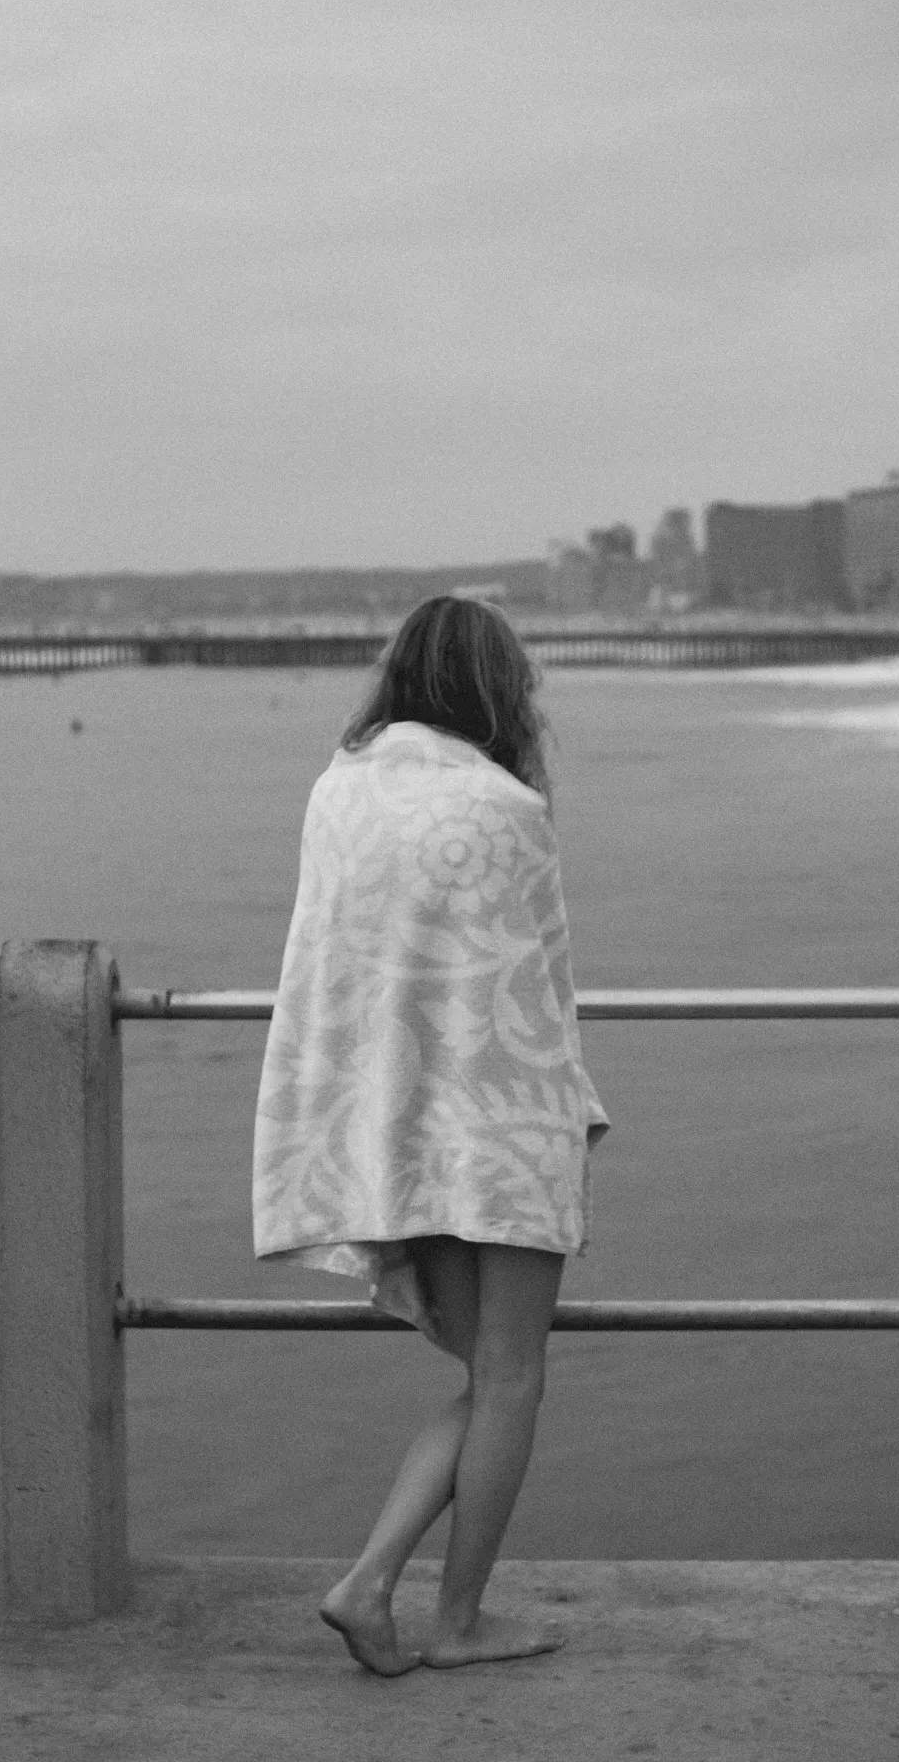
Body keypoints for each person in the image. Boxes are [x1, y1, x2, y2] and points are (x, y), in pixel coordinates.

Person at [252, 595, 609, 1673]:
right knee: (513, 1377)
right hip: (499, 1127)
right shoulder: (504, 809)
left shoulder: (339, 791)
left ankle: (369, 1583)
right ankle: (455, 1619)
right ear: (499, 691)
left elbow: (339, 962)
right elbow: (535, 990)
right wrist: (574, 1116)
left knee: (485, 1374)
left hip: (394, 1127)